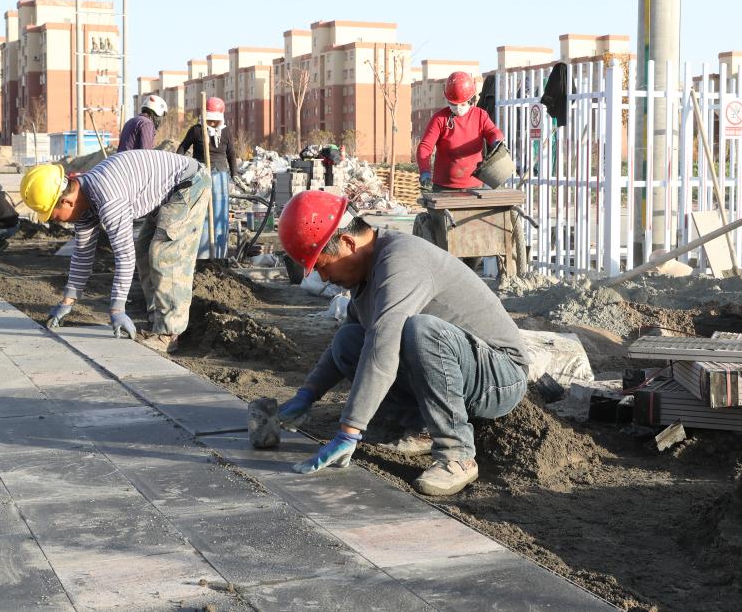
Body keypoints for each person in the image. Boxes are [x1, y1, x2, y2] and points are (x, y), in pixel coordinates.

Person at [275, 191, 530, 497]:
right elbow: (347, 347)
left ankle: (458, 454)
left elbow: (382, 346)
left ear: (348, 243)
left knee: (420, 331)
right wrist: (308, 394)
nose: (325, 277)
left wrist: (349, 430)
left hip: (500, 376)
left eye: (322, 266)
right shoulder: (365, 276)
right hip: (457, 370)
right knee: (348, 340)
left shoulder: (401, 261)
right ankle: (421, 427)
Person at [19, 149, 209, 349]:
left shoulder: (108, 200)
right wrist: (67, 302)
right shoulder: (84, 200)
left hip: (189, 184)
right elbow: (82, 253)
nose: (55, 221)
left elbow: (124, 256)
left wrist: (117, 310)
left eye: (54, 215)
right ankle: (157, 319)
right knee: (144, 253)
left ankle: (169, 334)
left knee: (164, 255)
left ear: (66, 201)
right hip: (168, 189)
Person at [416, 71, 505, 192]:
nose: (458, 108)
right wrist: (424, 170)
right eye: (453, 104)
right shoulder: (440, 119)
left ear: (470, 100)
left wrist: (496, 140)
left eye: (462, 104)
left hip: (474, 186)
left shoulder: (480, 116)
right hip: (443, 187)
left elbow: (492, 132)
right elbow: (425, 147)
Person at [178, 97, 237, 258]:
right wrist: (179, 167)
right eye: (209, 120)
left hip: (220, 178)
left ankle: (219, 254)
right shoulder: (197, 130)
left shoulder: (225, 131)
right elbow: (183, 147)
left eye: (214, 121)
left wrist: (234, 174)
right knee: (200, 215)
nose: (212, 123)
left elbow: (231, 153)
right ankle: (200, 255)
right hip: (200, 176)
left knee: (219, 216)